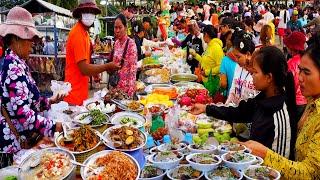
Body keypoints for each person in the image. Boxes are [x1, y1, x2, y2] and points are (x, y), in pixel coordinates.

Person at [191, 46, 297, 158]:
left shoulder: (280, 114)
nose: (252, 77)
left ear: (269, 77)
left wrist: (244, 149)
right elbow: (239, 112)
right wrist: (206, 108)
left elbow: (280, 163)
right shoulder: (261, 99)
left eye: (255, 72)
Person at [241, 33, 320, 179]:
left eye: (307, 72)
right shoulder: (311, 104)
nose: (300, 77)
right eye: (300, 70)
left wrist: (265, 154)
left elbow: (310, 173)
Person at [0, 7, 63, 155]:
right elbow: (24, 115)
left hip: (22, 138)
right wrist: (55, 127)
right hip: (14, 144)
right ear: (16, 38)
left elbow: (27, 100)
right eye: (30, 39)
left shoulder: (18, 62)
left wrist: (50, 101)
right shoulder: (12, 67)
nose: (33, 44)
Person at [64, 0, 119, 105]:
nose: (89, 14)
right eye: (86, 11)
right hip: (74, 94)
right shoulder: (77, 34)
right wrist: (107, 66)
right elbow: (84, 69)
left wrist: (95, 73)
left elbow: (87, 60)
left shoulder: (85, 34)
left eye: (92, 12)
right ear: (80, 14)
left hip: (81, 92)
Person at [111, 14, 138, 97]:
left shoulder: (131, 44)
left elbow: (133, 70)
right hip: (116, 88)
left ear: (125, 28)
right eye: (116, 27)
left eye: (120, 27)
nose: (117, 30)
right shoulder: (116, 43)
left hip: (126, 90)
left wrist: (130, 92)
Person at [284, 32, 308, 123]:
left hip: (294, 102)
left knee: (293, 126)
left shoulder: (290, 63)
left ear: (291, 47)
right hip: (305, 101)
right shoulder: (306, 60)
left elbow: (289, 86)